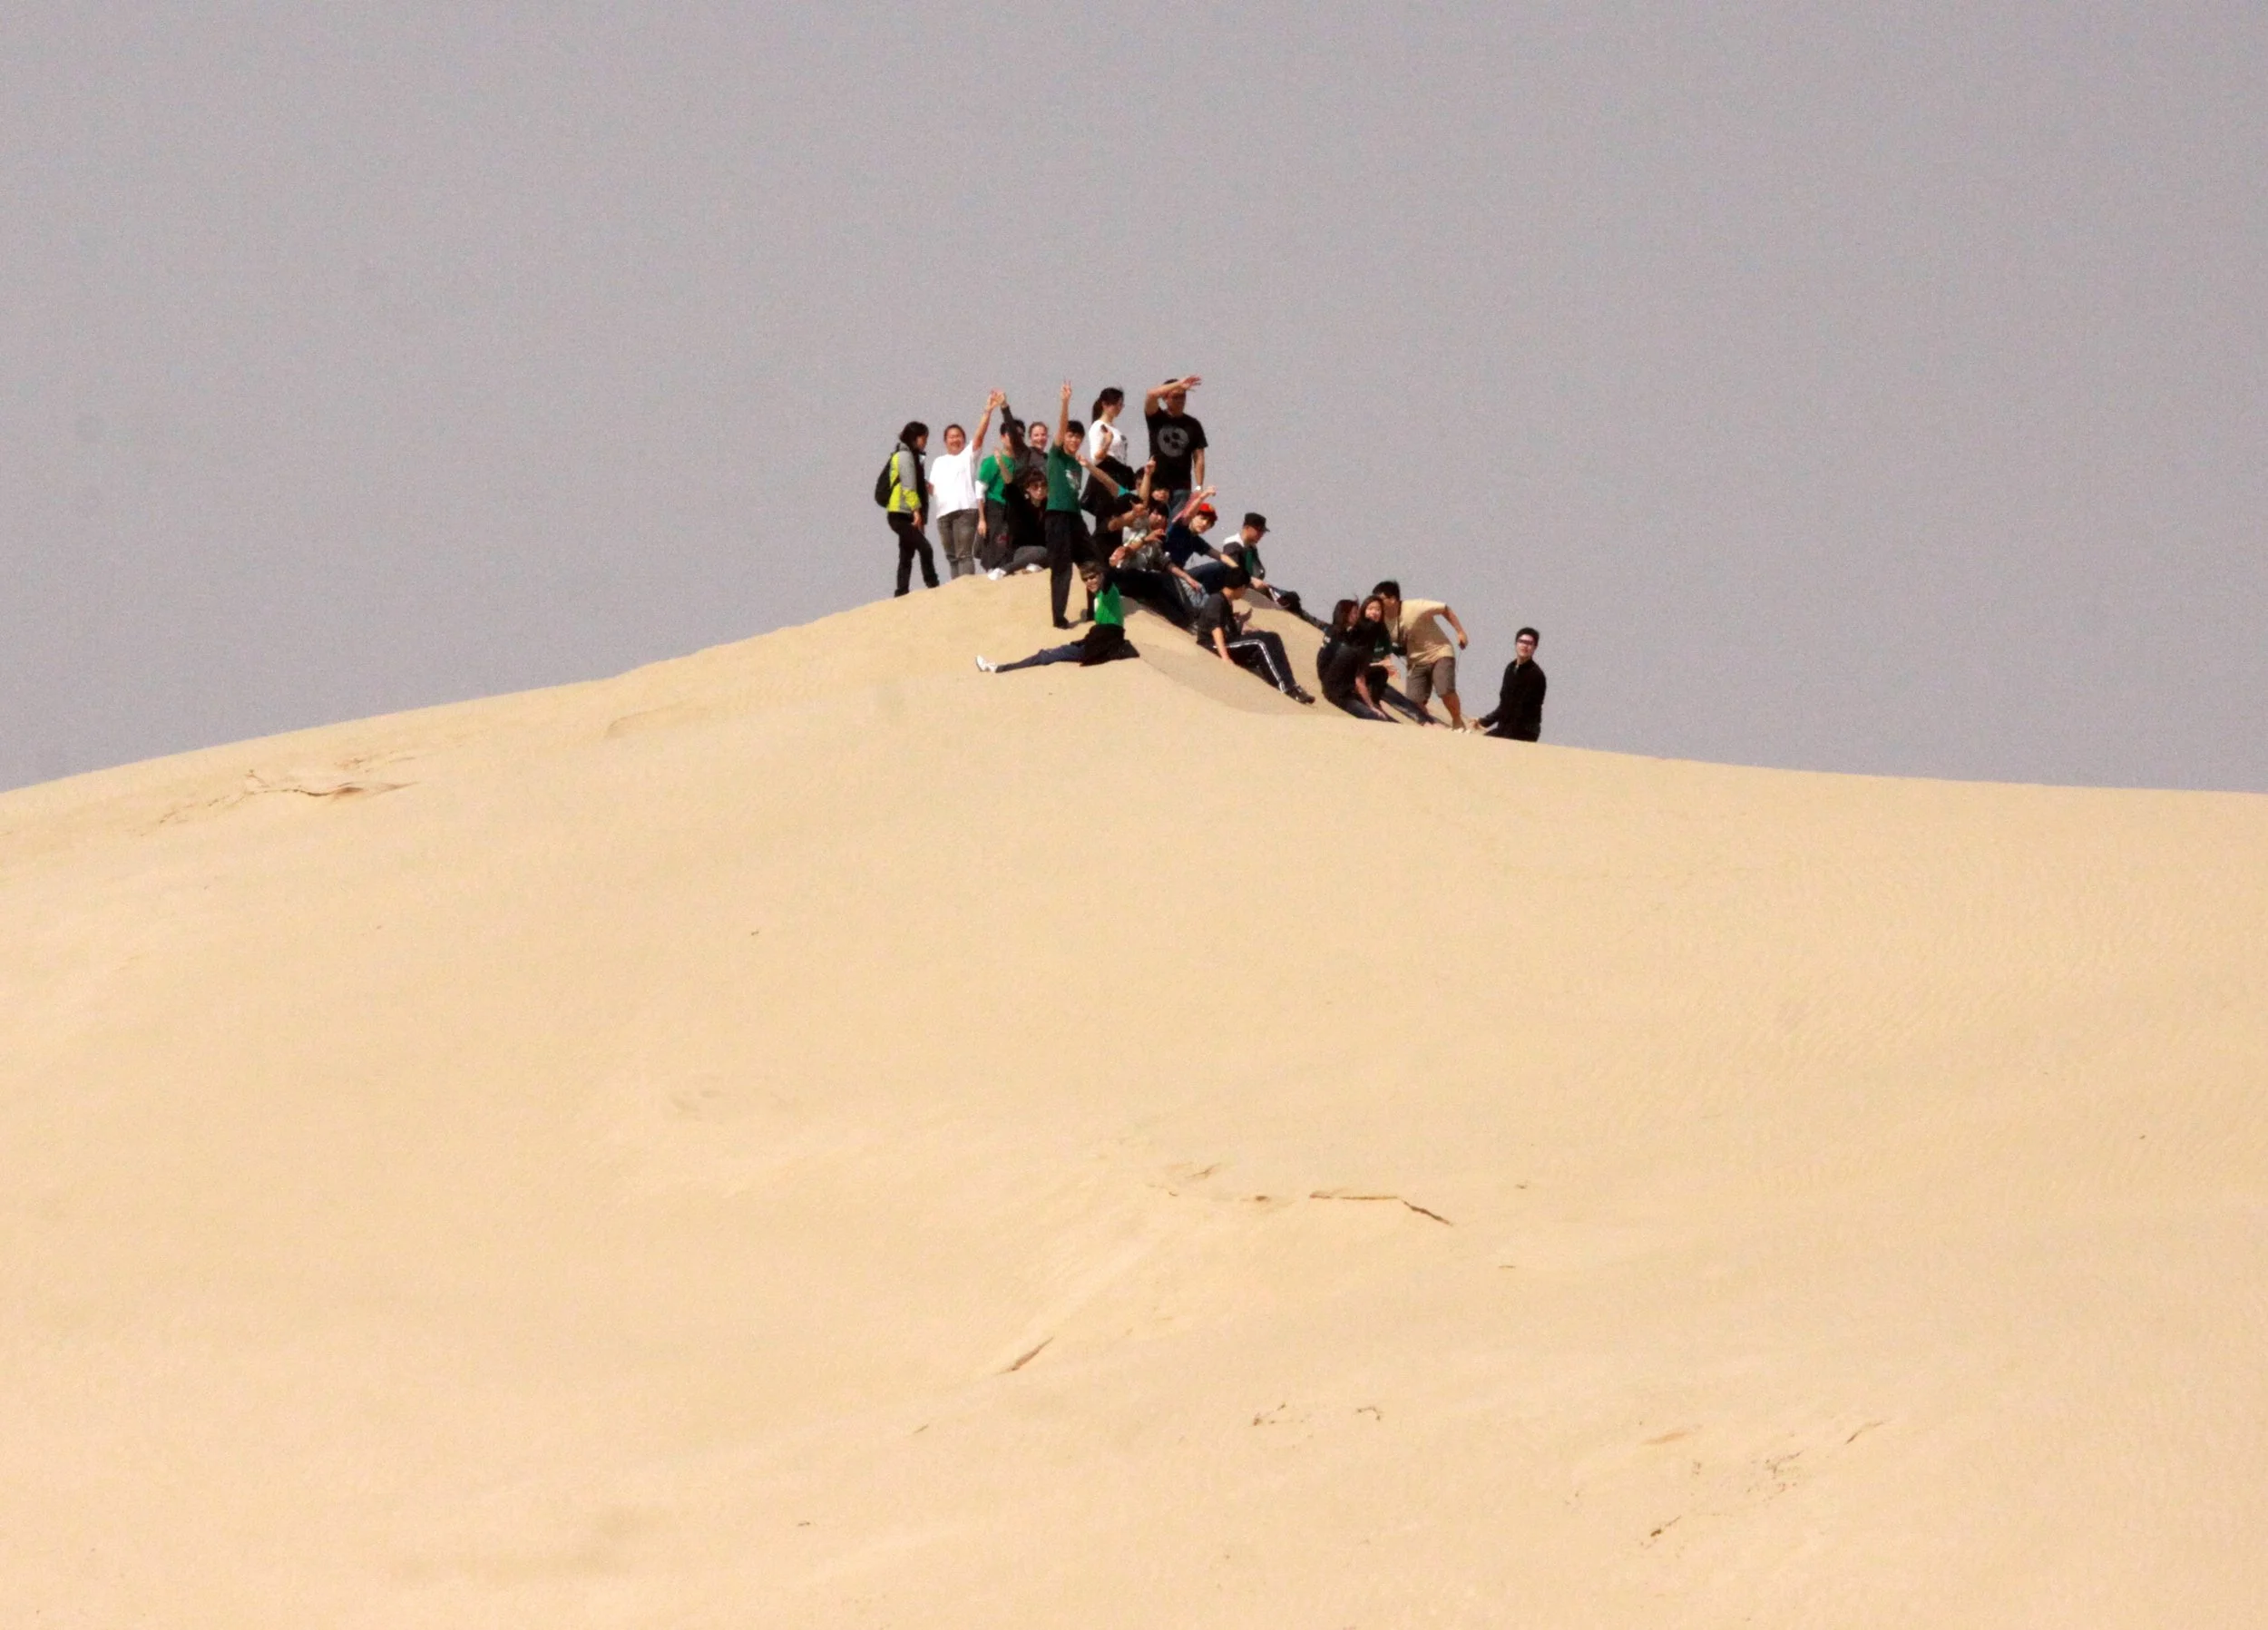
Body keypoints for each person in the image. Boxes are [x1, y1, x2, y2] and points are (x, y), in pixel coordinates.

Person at [976, 559, 1139, 672]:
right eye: (1085, 579)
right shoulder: (1099, 597)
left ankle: (1000, 668)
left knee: (1046, 655)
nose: (1090, 581)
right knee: (1056, 652)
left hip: (1104, 645)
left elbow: (1109, 580)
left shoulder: (1109, 592)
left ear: (1101, 576)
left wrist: (1110, 566)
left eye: (1093, 577)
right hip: (1097, 642)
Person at [1191, 568, 1314, 702]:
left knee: (1272, 637)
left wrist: (1241, 623)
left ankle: (1291, 683)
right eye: (1245, 589)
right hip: (1212, 645)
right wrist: (1225, 658)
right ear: (1241, 587)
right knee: (1261, 641)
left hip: (1226, 642)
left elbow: (1227, 629)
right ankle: (1287, 688)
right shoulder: (1217, 600)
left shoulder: (1226, 601)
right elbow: (1216, 629)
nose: (1244, 593)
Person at [1374, 580, 1471, 727]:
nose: (1377, 604)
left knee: (1444, 689)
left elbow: (1444, 609)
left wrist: (1460, 632)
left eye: (1380, 599)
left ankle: (1457, 720)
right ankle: (1432, 725)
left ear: (1392, 599)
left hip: (1439, 652)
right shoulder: (1381, 620)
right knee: (1413, 701)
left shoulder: (1415, 607)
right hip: (1415, 661)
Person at [928, 392, 1002, 581]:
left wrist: (987, 411)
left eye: (958, 436)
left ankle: (967, 588)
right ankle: (956, 590)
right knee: (952, 557)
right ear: (945, 441)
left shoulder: (968, 455)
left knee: (963, 554)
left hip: (965, 510)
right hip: (943, 514)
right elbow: (932, 489)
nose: (955, 439)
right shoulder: (938, 462)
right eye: (951, 437)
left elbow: (979, 436)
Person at [1043, 382, 1093, 628]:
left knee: (1093, 560)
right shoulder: (1057, 456)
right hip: (1056, 516)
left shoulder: (1077, 464)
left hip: (1075, 517)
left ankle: (1095, 610)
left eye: (1077, 437)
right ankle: (1059, 618)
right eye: (1070, 435)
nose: (1073, 439)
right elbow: (1061, 430)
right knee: (1062, 567)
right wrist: (1065, 403)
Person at [1315, 599, 1393, 721]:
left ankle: (1372, 701)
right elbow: (1359, 680)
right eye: (1354, 613)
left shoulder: (1336, 632)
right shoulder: (1350, 643)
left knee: (1380, 672)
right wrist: (1371, 706)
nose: (1357, 617)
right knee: (1378, 719)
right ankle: (1372, 702)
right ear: (1345, 614)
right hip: (1339, 692)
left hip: (1334, 684)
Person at [884, 421, 937, 596]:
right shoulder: (905, 456)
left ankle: (901, 591)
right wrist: (917, 512)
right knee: (925, 548)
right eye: (924, 438)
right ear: (915, 437)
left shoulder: (911, 456)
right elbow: (908, 488)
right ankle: (933, 583)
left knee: (906, 553)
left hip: (904, 512)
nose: (925, 442)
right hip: (900, 513)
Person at [1144, 375, 1208, 516]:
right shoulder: (1156, 417)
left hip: (1181, 487)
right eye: (1175, 397)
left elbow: (1199, 457)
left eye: (1182, 396)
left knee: (1176, 526)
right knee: (1155, 523)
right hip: (1157, 484)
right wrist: (1179, 383)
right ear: (1165, 398)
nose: (1180, 400)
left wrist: (1199, 486)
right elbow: (1151, 394)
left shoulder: (1193, 425)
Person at [1478, 627, 1547, 741]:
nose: (1525, 646)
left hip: (1524, 731)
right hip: (1506, 727)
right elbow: (1505, 704)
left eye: (1529, 643)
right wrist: (1484, 722)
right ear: (1516, 644)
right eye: (1522, 641)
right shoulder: (1510, 668)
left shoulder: (1536, 675)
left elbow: (1521, 708)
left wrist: (1500, 730)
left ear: (1535, 647)